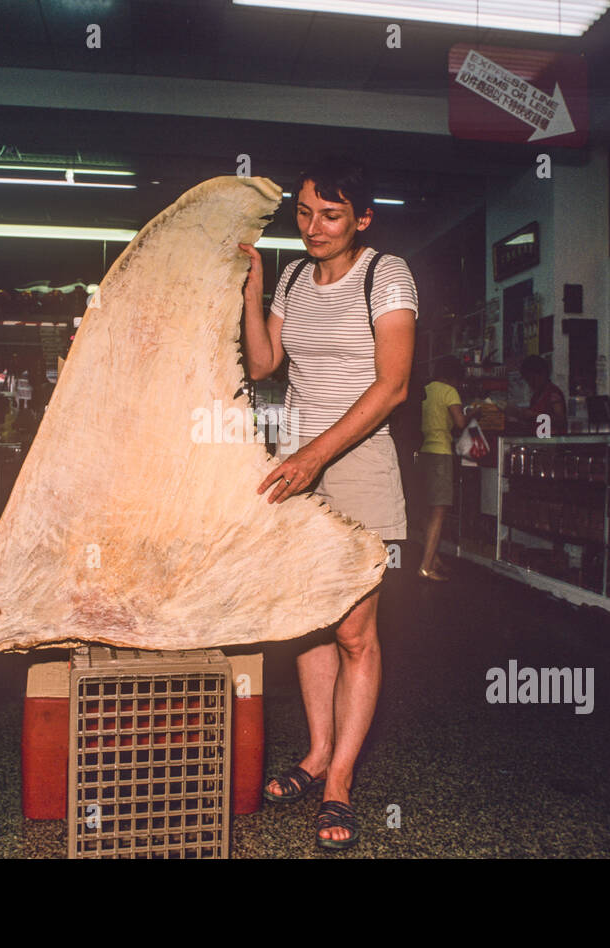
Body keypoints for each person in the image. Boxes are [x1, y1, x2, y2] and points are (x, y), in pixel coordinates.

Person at [238, 156, 416, 850]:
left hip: (359, 463)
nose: (314, 228)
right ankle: (315, 755)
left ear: (362, 218)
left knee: (353, 632)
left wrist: (316, 455)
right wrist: (256, 287)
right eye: (305, 213)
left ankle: (340, 782)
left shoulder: (386, 275)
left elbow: (393, 385)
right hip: (297, 463)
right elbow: (263, 365)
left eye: (332, 215)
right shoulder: (292, 279)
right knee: (310, 623)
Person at [417, 355, 474, 581]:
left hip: (422, 452)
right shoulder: (449, 391)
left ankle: (433, 559)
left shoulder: (425, 390)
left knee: (425, 510)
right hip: (441, 453)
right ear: (454, 377)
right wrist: (474, 413)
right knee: (439, 511)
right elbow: (460, 422)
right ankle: (426, 567)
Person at [510, 354, 568, 435]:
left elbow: (560, 421)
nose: (530, 383)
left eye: (533, 378)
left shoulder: (553, 394)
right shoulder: (536, 396)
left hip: (551, 440)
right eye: (528, 380)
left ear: (543, 374)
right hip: (538, 439)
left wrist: (534, 415)